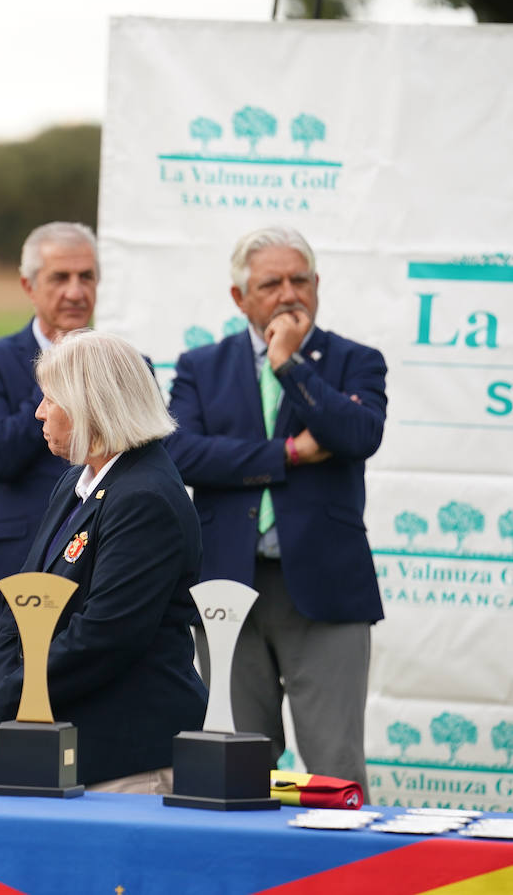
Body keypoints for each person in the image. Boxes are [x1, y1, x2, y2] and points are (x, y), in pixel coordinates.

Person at [165, 226, 385, 801]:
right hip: (226, 587)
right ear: (240, 298)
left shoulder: (355, 362)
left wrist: (290, 365)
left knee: (335, 764)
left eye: (300, 280)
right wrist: (288, 453)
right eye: (271, 284)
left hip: (326, 590)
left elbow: (358, 434)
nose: (289, 293)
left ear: (317, 285)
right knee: (234, 766)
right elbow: (180, 454)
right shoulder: (200, 367)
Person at [0, 329, 206, 792]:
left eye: (50, 399)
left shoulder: (144, 498)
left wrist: (9, 696)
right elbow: (25, 599)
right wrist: (4, 693)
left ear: (90, 406)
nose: (39, 412)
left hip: (126, 759)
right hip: (69, 746)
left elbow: (106, 633)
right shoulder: (77, 482)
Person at [0, 221, 98, 690]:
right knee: (7, 725)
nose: (75, 291)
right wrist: (58, 376)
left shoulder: (127, 365)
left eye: (86, 276)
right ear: (28, 286)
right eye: (60, 277)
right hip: (18, 575)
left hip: (103, 581)